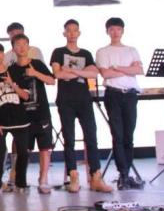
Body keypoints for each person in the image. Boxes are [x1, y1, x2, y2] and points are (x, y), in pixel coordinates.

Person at [50, 19, 112, 193]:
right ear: (64, 33)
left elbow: (93, 73)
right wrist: (80, 73)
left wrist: (71, 71)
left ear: (79, 33)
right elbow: (57, 74)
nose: (72, 33)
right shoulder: (58, 52)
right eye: (68, 30)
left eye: (75, 30)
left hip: (84, 100)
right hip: (65, 100)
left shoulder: (86, 53)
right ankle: (73, 176)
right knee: (69, 139)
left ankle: (96, 176)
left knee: (91, 137)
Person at [96, 17, 144, 190]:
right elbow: (105, 74)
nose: (115, 32)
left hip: (130, 95)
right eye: (112, 29)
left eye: (118, 29)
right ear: (107, 31)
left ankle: (127, 174)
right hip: (113, 95)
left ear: (122, 31)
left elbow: (139, 70)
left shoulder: (131, 50)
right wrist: (128, 70)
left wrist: (116, 68)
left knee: (129, 136)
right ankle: (122, 174)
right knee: (118, 136)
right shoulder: (103, 51)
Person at [0, 42, 30, 196]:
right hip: (0, 123)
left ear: (4, 53)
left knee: (23, 153)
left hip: (20, 120)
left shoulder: (15, 71)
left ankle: (21, 183)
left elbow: (26, 96)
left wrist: (12, 84)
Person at [10, 34, 56, 194]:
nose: (22, 47)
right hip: (22, 117)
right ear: (13, 49)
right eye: (18, 44)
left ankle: (43, 180)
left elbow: (52, 81)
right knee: (23, 150)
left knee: (45, 149)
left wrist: (35, 73)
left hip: (42, 114)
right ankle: (20, 180)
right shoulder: (11, 69)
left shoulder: (37, 64)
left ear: (29, 47)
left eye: (24, 44)